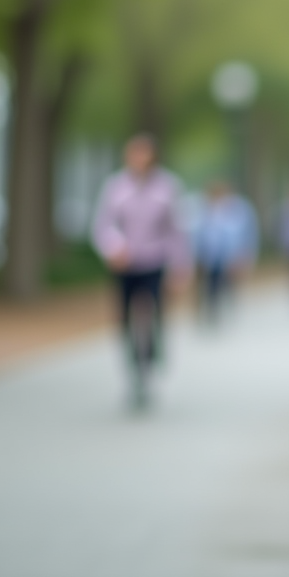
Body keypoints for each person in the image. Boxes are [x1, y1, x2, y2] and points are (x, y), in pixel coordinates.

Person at [91, 134, 191, 407]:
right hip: (125, 263)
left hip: (155, 260)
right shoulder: (115, 186)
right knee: (124, 317)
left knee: (155, 311)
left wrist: (180, 266)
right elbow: (103, 225)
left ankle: (152, 353)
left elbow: (177, 230)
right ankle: (132, 368)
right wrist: (114, 248)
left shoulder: (168, 187)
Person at [193, 180, 259, 323]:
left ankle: (226, 306)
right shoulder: (204, 209)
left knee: (228, 282)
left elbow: (248, 233)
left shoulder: (240, 209)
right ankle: (212, 311)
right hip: (209, 256)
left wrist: (245, 254)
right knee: (211, 285)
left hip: (231, 255)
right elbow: (197, 234)